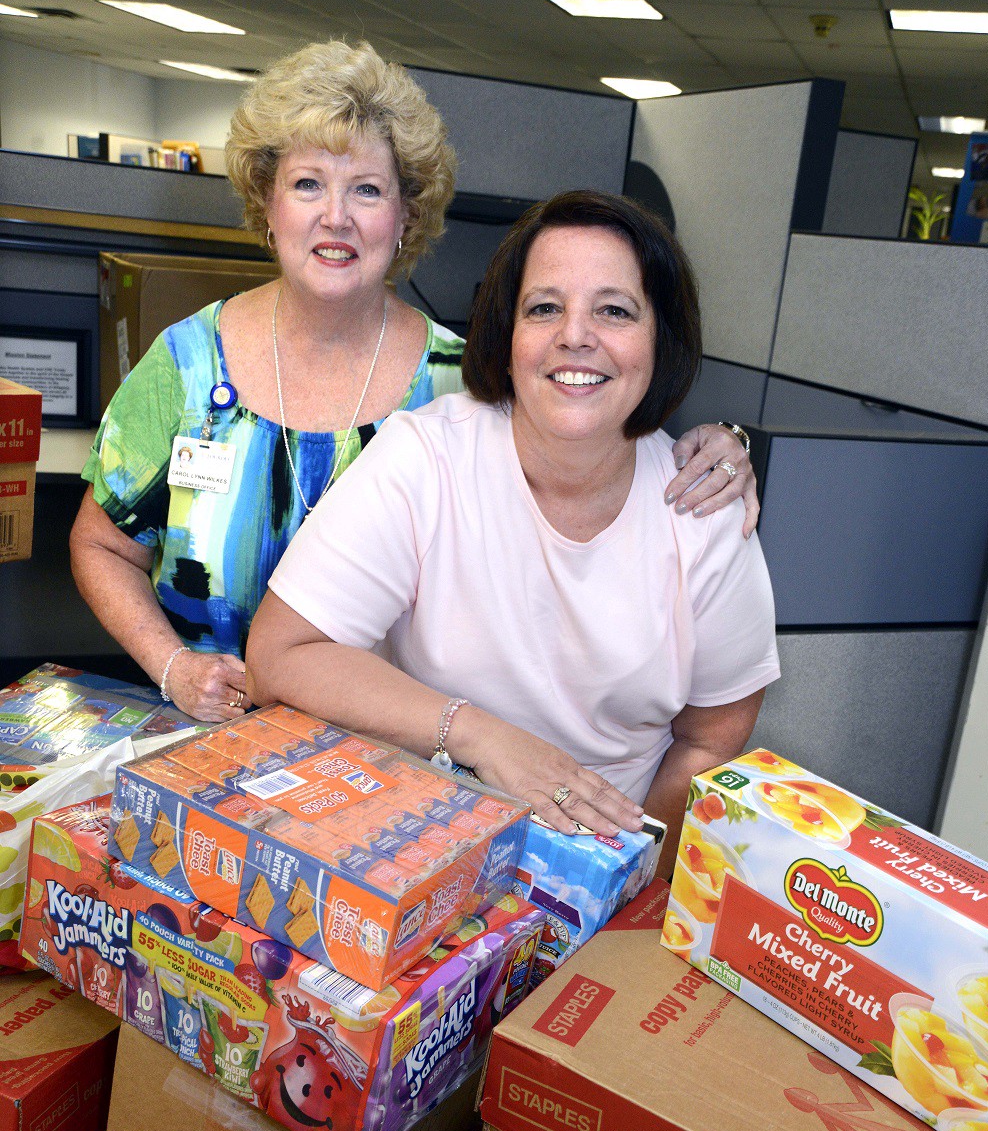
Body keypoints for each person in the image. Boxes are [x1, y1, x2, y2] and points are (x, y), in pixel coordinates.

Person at [69, 40, 757, 724]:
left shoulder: (473, 380)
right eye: (308, 183)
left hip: (391, 764)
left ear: (405, 217)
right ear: (268, 204)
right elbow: (101, 543)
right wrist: (171, 665)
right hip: (200, 732)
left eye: (366, 189)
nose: (335, 216)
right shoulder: (188, 365)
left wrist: (721, 446)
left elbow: (594, 431)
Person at [247, 192, 779, 867]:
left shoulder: (706, 509)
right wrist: (480, 736)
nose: (575, 335)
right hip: (415, 844)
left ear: (660, 340)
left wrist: (623, 878)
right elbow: (279, 656)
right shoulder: (427, 458)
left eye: (614, 310)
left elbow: (711, 740)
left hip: (601, 865)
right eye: (544, 308)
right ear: (507, 336)